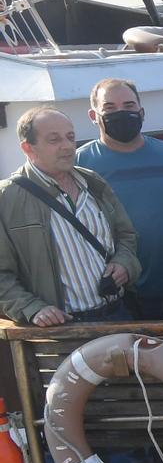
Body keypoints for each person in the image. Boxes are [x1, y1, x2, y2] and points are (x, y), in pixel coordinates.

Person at [0, 108, 139, 325]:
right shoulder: (6, 198)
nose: (66, 146)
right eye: (54, 140)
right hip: (60, 329)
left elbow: (126, 236)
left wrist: (124, 264)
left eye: (70, 137)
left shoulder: (93, 182)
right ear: (28, 148)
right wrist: (31, 308)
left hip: (116, 315)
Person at [76, 79, 163, 319]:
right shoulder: (79, 165)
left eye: (129, 105)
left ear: (141, 112)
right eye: (109, 107)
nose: (121, 112)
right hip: (118, 298)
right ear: (93, 115)